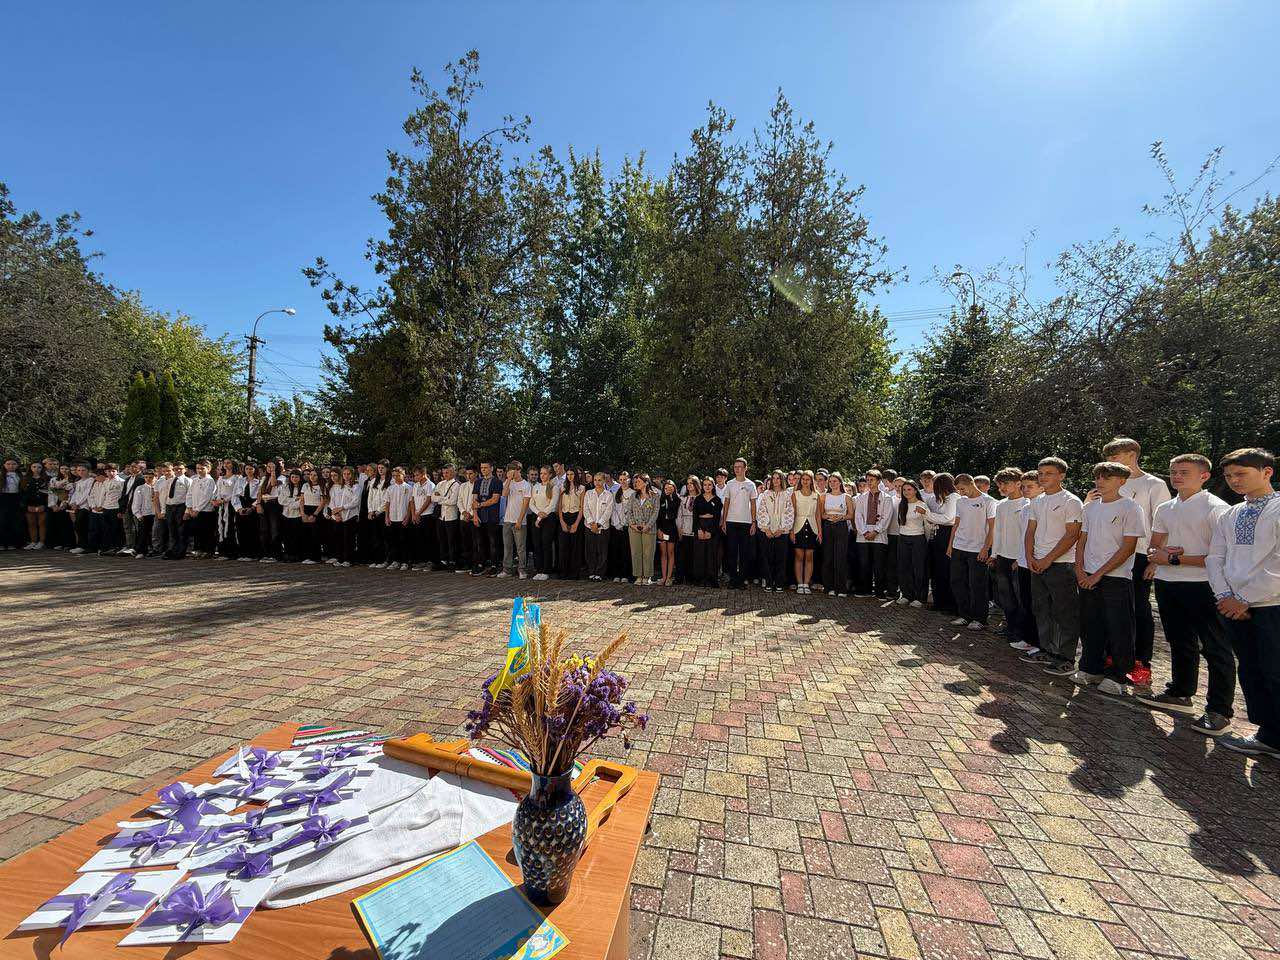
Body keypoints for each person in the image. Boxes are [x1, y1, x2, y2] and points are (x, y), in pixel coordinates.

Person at [1135, 454, 1233, 735]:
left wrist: (1174, 558)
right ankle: (1180, 693)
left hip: (1204, 584)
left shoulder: (1217, 508)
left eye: (1184, 472)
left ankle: (1219, 711)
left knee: (1215, 647)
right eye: (1174, 471)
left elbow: (1220, 556)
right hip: (1167, 582)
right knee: (1179, 640)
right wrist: (1159, 555)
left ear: (1204, 476)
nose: (1176, 476)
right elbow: (1154, 546)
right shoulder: (1165, 507)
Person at [1206, 447, 1280, 757]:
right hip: (1233, 606)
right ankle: (1269, 735)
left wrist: (1244, 598)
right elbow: (1215, 557)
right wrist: (1225, 596)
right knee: (1251, 669)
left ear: (1266, 472)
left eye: (1241, 474)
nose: (1235, 480)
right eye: (1229, 476)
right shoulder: (1231, 513)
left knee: (1275, 669)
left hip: (1271, 604)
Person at [1098, 438, 1172, 686]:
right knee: (1111, 609)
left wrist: (1155, 560)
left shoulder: (1154, 484)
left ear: (1132, 455)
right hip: (1107, 554)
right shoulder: (1106, 482)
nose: (1110, 462)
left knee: (1138, 608)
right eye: (1108, 458)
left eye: (1115, 457)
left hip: (1140, 554)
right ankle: (1113, 656)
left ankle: (1141, 662)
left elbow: (1162, 524)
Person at [1071, 462, 1146, 695]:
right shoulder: (1090, 508)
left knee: (1119, 627)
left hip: (1116, 577)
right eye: (1098, 477)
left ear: (1122, 481)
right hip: (1087, 576)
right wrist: (1080, 570)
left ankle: (1118, 676)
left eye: (1107, 477)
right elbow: (1082, 541)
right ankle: (1090, 668)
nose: (1100, 482)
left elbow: (1128, 547)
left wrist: (1098, 574)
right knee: (1090, 624)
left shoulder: (1131, 508)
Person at [1023, 457, 1084, 676]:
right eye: (1040, 473)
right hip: (1037, 564)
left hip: (1061, 565)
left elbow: (1072, 535)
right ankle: (1047, 650)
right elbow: (1031, 530)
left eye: (1049, 473)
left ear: (1062, 476)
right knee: (1042, 609)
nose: (1043, 477)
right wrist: (1029, 556)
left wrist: (1048, 559)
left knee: (1064, 613)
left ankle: (1065, 658)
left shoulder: (1071, 501)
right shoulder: (1037, 501)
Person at [947, 473, 997, 631]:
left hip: (977, 549)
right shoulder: (961, 501)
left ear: (971, 484)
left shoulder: (989, 501)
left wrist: (986, 548)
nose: (961, 492)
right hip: (959, 546)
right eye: (958, 490)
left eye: (962, 489)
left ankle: (979, 618)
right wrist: (950, 545)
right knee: (957, 581)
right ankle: (965, 615)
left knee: (977, 584)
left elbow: (993, 527)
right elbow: (956, 524)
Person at [991, 467, 1034, 645]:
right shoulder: (1001, 505)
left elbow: (1027, 533)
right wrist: (994, 554)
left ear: (1018, 483)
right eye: (999, 484)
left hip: (1020, 559)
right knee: (1005, 595)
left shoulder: (1027, 503)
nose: (1002, 487)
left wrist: (1021, 557)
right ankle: (1010, 626)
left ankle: (1021, 632)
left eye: (1006, 483)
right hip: (1003, 555)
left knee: (1020, 596)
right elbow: (998, 531)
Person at [1007, 470, 1044, 654]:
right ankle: (1028, 639)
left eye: (1030, 486)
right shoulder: (1026, 507)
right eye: (1023, 487)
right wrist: (1019, 557)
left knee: (1038, 604)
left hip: (1037, 562)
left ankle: (1039, 642)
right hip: (1023, 562)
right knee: (1026, 602)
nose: (1025, 490)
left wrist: (1033, 558)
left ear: (1041, 487)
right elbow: (1023, 536)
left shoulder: (1042, 505)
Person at [853, 470, 892, 598]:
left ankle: (880, 592)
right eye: (868, 480)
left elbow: (887, 517)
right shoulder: (861, 497)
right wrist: (864, 532)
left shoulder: (886, 498)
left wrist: (875, 531)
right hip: (863, 534)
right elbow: (858, 516)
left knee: (879, 565)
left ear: (879, 481)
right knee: (864, 564)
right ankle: (865, 590)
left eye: (872, 480)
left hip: (879, 535)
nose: (869, 482)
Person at [720, 458, 757, 589]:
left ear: (745, 468)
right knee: (731, 552)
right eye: (735, 467)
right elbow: (726, 502)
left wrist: (753, 522)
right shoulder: (730, 484)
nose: (737, 469)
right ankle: (733, 580)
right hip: (731, 522)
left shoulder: (751, 485)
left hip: (746, 522)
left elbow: (753, 504)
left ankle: (741, 580)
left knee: (744, 553)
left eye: (740, 467)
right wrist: (724, 521)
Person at [757, 471, 794, 592]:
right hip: (767, 531)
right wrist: (766, 528)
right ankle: (768, 582)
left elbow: (789, 512)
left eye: (778, 478)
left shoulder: (787, 495)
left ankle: (779, 583)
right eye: (773, 478)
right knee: (767, 557)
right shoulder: (766, 494)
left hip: (781, 531)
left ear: (782, 480)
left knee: (781, 558)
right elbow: (761, 511)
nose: (776, 480)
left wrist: (782, 529)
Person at [895, 479, 929, 606]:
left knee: (918, 568)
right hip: (903, 538)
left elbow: (928, 524)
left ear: (915, 490)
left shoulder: (922, 505)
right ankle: (906, 595)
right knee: (904, 568)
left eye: (909, 489)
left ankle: (920, 597)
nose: (906, 492)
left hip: (918, 539)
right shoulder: (901, 504)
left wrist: (925, 540)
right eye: (904, 490)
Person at [820, 473, 851, 597]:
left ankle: (841, 589)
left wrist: (841, 517)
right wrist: (828, 516)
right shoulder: (824, 496)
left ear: (840, 482)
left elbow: (851, 515)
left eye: (835, 481)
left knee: (840, 557)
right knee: (828, 557)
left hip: (841, 527)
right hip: (828, 526)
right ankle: (829, 587)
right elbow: (821, 514)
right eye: (830, 481)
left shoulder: (846, 497)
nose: (832, 483)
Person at [500, 460, 531, 580]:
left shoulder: (526, 485)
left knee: (521, 548)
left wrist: (520, 520)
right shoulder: (509, 482)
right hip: (507, 520)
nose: (511, 473)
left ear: (519, 470)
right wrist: (508, 479)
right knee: (507, 547)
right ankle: (507, 570)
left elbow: (525, 504)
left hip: (520, 521)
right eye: (509, 471)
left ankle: (522, 570)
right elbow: (504, 494)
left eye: (513, 471)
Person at [471, 461, 503, 576]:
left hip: (492, 516)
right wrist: (475, 515)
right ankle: (481, 564)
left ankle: (494, 565)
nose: (483, 469)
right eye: (481, 467)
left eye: (485, 467)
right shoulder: (477, 482)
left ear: (491, 468)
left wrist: (480, 505)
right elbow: (474, 500)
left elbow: (495, 499)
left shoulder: (497, 482)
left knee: (493, 542)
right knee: (480, 542)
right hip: (479, 516)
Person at [791, 471, 820, 594]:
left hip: (812, 527)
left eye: (808, 479)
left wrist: (820, 532)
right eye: (803, 479)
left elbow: (818, 515)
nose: (805, 481)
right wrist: (792, 531)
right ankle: (800, 584)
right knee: (799, 556)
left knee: (809, 556)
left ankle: (806, 584)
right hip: (798, 526)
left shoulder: (816, 495)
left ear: (811, 481)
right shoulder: (795, 494)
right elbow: (792, 513)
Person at [690, 475, 722, 587]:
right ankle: (699, 579)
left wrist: (711, 532)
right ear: (702, 486)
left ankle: (711, 579)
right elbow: (695, 516)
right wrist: (698, 529)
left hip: (712, 528)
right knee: (699, 554)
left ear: (713, 486)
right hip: (700, 526)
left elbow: (717, 518)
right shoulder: (698, 499)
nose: (707, 487)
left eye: (709, 485)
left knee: (711, 554)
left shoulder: (717, 500)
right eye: (705, 485)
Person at [627, 474, 658, 585]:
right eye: (636, 482)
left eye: (639, 481)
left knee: (648, 553)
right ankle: (638, 575)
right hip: (634, 528)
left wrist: (648, 526)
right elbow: (629, 511)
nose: (636, 483)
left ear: (646, 482)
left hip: (649, 529)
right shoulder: (633, 496)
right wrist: (633, 525)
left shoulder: (654, 496)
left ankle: (647, 576)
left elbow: (655, 512)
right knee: (636, 552)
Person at [583, 471, 613, 582]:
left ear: (604, 481)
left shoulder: (609, 495)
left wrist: (599, 524)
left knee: (602, 551)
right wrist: (592, 523)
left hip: (603, 527)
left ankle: (600, 573)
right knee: (590, 550)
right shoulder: (589, 493)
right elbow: (585, 509)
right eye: (595, 480)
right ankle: (591, 571)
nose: (597, 482)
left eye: (599, 480)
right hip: (589, 526)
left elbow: (608, 511)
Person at [555, 467, 585, 580]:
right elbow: (559, 506)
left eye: (572, 474)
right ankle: (563, 572)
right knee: (563, 546)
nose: (570, 476)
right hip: (564, 516)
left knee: (575, 546)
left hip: (576, 516)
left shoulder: (581, 488)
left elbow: (581, 507)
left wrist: (576, 524)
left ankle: (574, 573)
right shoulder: (563, 487)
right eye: (568, 474)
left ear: (575, 475)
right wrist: (562, 522)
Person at [382, 466, 412, 570]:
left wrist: (408, 517)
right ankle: (395, 561)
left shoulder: (409, 488)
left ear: (403, 475)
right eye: (394, 476)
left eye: (398, 475)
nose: (396, 478)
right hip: (393, 517)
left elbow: (410, 503)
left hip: (403, 517)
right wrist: (387, 517)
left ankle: (405, 561)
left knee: (404, 540)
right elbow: (387, 503)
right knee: (393, 541)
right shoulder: (390, 488)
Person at [434, 464, 461, 569]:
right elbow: (433, 498)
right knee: (442, 539)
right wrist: (445, 498)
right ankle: (443, 560)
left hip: (451, 516)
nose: (445, 474)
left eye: (447, 472)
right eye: (444, 472)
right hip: (441, 516)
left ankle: (452, 561)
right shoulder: (440, 484)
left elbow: (453, 501)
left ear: (453, 472)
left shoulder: (456, 485)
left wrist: (440, 499)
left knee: (452, 540)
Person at [299, 468, 327, 564]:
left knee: (315, 535)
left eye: (315, 475)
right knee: (306, 534)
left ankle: (315, 557)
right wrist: (302, 513)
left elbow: (323, 502)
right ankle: (307, 556)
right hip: (306, 509)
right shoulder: (305, 485)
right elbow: (302, 500)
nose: (312, 477)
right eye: (311, 475)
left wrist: (315, 514)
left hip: (316, 511)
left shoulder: (322, 486)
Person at [233, 463, 261, 561]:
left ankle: (252, 554)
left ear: (255, 470)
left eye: (251, 469)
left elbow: (259, 496)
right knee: (241, 530)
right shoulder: (240, 480)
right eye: (247, 469)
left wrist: (252, 508)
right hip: (241, 505)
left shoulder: (259, 481)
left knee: (252, 530)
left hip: (253, 506)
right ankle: (243, 553)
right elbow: (235, 496)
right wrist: (239, 508)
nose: (249, 471)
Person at [609, 476, 634, 583]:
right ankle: (616, 574)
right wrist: (617, 523)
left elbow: (632, 511)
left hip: (627, 526)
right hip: (616, 526)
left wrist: (624, 523)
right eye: (621, 480)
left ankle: (625, 574)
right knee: (616, 551)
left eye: (625, 479)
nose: (623, 481)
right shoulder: (615, 493)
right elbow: (613, 510)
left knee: (626, 551)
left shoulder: (633, 493)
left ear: (629, 480)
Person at [255, 461, 281, 563]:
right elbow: (259, 492)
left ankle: (275, 554)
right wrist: (258, 504)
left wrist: (273, 472)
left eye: (272, 466)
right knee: (264, 530)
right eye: (268, 466)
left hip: (274, 504)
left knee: (274, 530)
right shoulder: (264, 478)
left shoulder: (281, 478)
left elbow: (273, 484)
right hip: (264, 503)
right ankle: (266, 553)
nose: (270, 468)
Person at [656, 479, 681, 586]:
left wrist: (671, 498)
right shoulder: (660, 499)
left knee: (670, 552)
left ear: (674, 488)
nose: (667, 490)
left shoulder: (677, 500)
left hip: (672, 528)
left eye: (670, 488)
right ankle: (663, 577)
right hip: (662, 528)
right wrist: (658, 529)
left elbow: (676, 514)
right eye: (665, 488)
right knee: (663, 553)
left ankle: (669, 578)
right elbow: (657, 516)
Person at [277, 468, 304, 562]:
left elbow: (300, 502)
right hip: (286, 515)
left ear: (300, 478)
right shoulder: (285, 487)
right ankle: (288, 554)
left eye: (296, 477)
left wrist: (291, 502)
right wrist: (294, 500)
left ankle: (297, 555)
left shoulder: (303, 487)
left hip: (298, 515)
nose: (294, 479)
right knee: (287, 536)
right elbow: (281, 500)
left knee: (297, 536)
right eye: (292, 477)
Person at [676, 475, 699, 584]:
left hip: (696, 529)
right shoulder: (683, 499)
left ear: (696, 484)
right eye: (688, 483)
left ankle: (693, 577)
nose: (690, 485)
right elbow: (679, 515)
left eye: (692, 483)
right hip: (684, 528)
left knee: (694, 555)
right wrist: (679, 528)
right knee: (684, 555)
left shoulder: (700, 498)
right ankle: (682, 577)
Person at [20, 462, 48, 550]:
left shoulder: (46, 479)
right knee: (31, 523)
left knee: (42, 523)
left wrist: (44, 505)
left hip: (42, 505)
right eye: (34, 467)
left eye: (39, 467)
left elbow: (50, 494)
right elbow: (22, 494)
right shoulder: (25, 479)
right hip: (29, 505)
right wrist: (26, 506)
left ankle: (42, 542)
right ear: (30, 468)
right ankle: (33, 541)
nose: (36, 469)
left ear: (42, 468)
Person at [130, 470, 156, 557]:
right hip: (145, 514)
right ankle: (141, 551)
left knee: (155, 533)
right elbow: (136, 502)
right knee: (143, 533)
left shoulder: (158, 487)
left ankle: (154, 549)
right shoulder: (140, 488)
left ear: (155, 477)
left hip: (156, 513)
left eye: (151, 477)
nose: (148, 479)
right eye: (146, 477)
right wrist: (138, 514)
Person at [456, 466, 476, 573]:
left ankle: (475, 564)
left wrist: (471, 514)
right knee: (465, 542)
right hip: (463, 517)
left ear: (476, 474)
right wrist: (464, 512)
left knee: (475, 542)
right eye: (467, 474)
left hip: (473, 518)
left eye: (471, 473)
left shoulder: (478, 485)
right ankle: (466, 563)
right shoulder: (463, 486)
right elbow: (459, 501)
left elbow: (477, 501)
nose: (468, 476)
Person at [0, 458, 22, 550]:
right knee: (2, 521)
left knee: (15, 521)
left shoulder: (21, 476)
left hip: (16, 499)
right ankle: (2, 543)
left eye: (13, 464)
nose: (11, 466)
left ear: (17, 465)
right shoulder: (1, 475)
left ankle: (13, 543)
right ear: (4, 465)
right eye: (8, 464)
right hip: (3, 499)